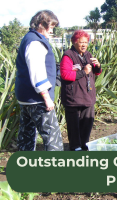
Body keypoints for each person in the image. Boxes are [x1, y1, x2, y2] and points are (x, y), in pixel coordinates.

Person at [15, 10, 64, 151]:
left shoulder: (28, 38)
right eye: (51, 27)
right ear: (41, 24)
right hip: (38, 98)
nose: (52, 31)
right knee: (52, 136)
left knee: (27, 135)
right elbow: (37, 71)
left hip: (26, 97)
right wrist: (46, 96)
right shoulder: (35, 42)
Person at [60, 30, 102, 151]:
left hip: (88, 96)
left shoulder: (88, 55)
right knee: (74, 125)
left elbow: (97, 73)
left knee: (87, 124)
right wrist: (83, 72)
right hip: (73, 97)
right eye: (81, 42)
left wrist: (98, 65)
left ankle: (84, 146)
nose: (84, 45)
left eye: (86, 42)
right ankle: (75, 148)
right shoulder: (68, 55)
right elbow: (65, 75)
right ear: (74, 42)